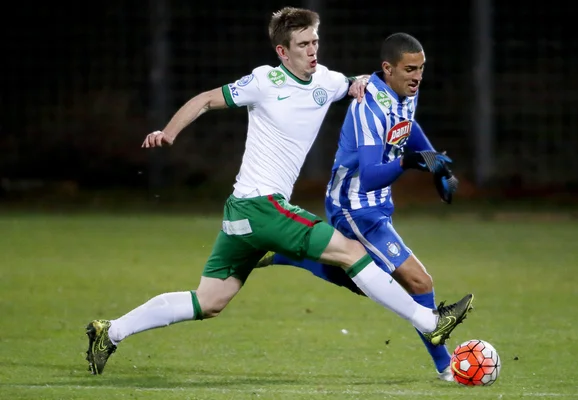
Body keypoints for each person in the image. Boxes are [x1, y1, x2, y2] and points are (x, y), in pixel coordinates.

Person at [85, 9, 473, 376]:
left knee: (209, 302)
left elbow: (362, 85)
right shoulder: (264, 82)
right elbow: (205, 99)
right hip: (260, 205)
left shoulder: (327, 81)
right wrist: (168, 132)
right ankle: (428, 321)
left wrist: (360, 84)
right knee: (350, 252)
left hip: (241, 213)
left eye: (315, 42)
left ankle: (110, 331)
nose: (312, 51)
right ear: (282, 52)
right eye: (303, 45)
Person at [257, 33, 462, 381]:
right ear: (388, 68)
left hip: (375, 205)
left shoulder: (405, 90)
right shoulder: (369, 106)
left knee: (361, 277)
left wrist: (437, 166)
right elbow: (369, 176)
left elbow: (406, 127)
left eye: (422, 69)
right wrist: (412, 163)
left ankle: (286, 252)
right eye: (410, 69)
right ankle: (448, 368)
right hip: (353, 206)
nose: (417, 76)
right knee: (418, 282)